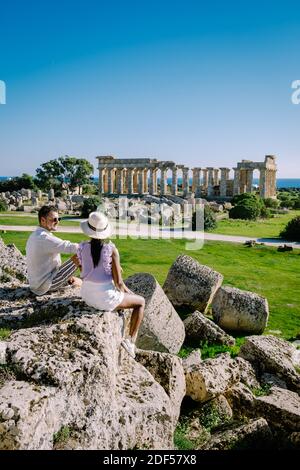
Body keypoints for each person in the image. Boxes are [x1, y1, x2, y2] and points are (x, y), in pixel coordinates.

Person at [78, 211, 145, 359]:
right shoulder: (110, 249)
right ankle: (131, 341)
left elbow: (85, 271)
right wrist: (130, 294)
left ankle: (130, 339)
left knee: (128, 298)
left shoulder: (82, 248)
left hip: (86, 295)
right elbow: (119, 283)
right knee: (141, 302)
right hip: (103, 299)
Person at [26, 205, 82, 295]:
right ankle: (92, 283)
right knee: (80, 255)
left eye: (58, 219)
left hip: (37, 284)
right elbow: (70, 247)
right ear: (43, 220)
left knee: (78, 281)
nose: (57, 222)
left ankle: (83, 282)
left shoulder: (36, 235)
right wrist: (92, 246)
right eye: (54, 219)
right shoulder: (44, 237)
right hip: (44, 285)